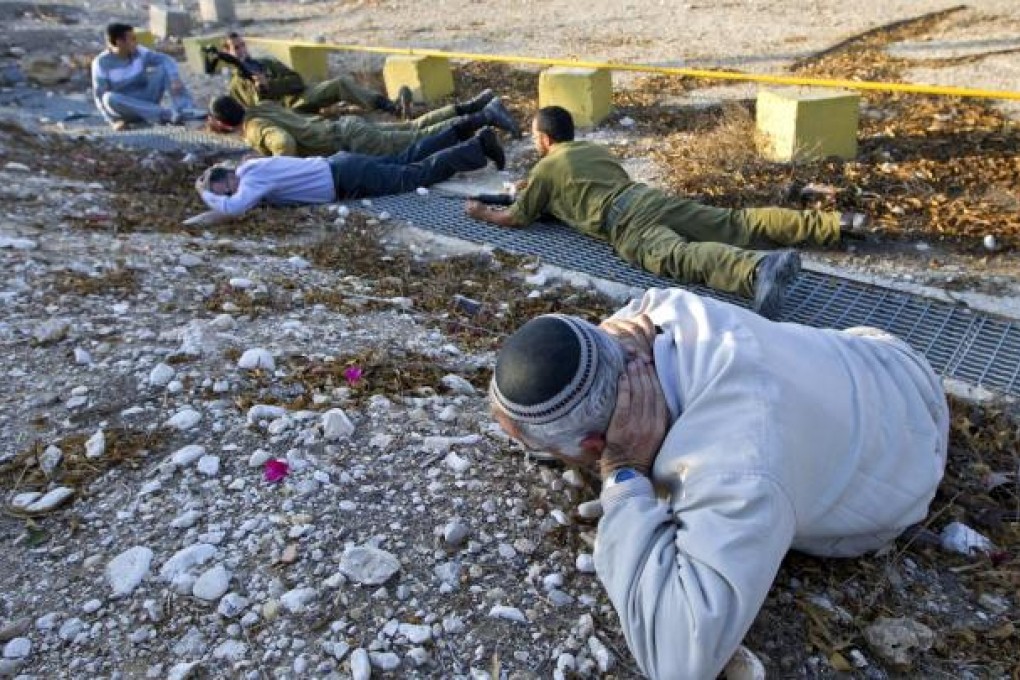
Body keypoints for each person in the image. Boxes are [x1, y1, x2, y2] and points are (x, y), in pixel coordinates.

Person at [489, 289, 949, 680]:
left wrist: (625, 473)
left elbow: (678, 658)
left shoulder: (738, 471)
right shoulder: (661, 309)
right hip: (880, 355)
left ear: (595, 445)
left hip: (912, 459)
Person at [466, 106, 871, 319]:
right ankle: (834, 225)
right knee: (735, 223)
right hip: (648, 198)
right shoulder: (593, 151)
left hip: (624, 225)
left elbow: (517, 217)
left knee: (681, 257)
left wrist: (481, 212)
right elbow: (584, 185)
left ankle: (758, 270)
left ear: (542, 137)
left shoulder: (545, 168)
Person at [195, 125, 505, 218]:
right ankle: (462, 132)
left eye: (227, 189)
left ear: (229, 179)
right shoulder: (251, 166)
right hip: (339, 165)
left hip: (342, 177)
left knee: (414, 175)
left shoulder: (251, 179)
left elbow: (234, 208)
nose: (234, 195)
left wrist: (207, 195)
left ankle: (477, 145)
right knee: (405, 159)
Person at [208, 92, 519, 158]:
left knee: (419, 138)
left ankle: (485, 116)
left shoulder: (254, 127)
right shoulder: (261, 106)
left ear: (223, 123)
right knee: (413, 127)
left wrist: (274, 166)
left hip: (350, 141)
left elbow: (284, 144)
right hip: (347, 127)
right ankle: (474, 107)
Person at [219, 31, 415, 117]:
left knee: (340, 83)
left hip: (301, 97)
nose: (241, 50)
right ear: (228, 52)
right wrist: (261, 88)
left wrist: (271, 84)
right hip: (285, 114)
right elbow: (255, 108)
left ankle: (391, 107)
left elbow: (297, 80)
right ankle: (341, 110)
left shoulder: (265, 63)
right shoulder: (236, 84)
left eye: (242, 45)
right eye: (236, 48)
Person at [91, 22, 203, 130]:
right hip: (126, 107)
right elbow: (99, 97)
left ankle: (186, 109)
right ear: (119, 42)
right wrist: (113, 122)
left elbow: (165, 59)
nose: (136, 42)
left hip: (146, 98)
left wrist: (174, 78)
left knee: (163, 69)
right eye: (132, 39)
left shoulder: (139, 52)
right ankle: (165, 114)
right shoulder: (101, 63)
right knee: (109, 98)